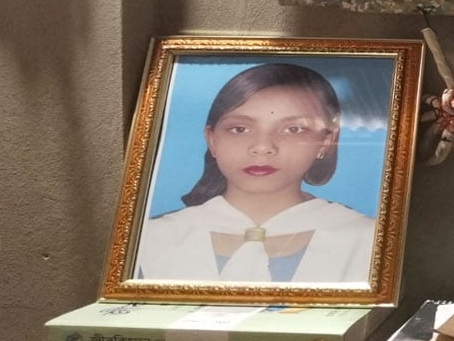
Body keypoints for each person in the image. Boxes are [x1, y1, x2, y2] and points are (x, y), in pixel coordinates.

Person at [135, 63, 375, 283]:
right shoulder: (151, 240)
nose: (263, 147)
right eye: (240, 129)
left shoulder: (367, 240)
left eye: (293, 129)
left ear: (326, 142)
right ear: (211, 139)